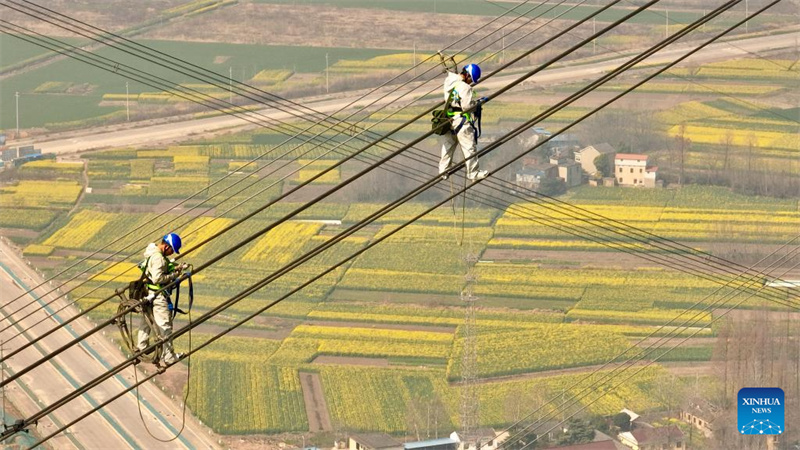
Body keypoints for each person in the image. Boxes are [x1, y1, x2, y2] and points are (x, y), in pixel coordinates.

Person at [137, 232, 186, 365]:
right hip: (158, 295)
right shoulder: (158, 257)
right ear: (167, 246)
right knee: (165, 325)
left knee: (146, 321)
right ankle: (169, 357)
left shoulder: (151, 252)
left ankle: (141, 347)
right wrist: (173, 276)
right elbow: (157, 278)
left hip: (148, 293)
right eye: (172, 250)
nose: (171, 253)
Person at [439, 63, 489, 181]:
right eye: (471, 80)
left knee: (448, 146)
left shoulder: (449, 81)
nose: (470, 82)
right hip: (461, 121)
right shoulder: (465, 87)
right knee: (469, 147)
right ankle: (473, 173)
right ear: (468, 76)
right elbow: (467, 106)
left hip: (449, 119)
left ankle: (443, 170)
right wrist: (477, 104)